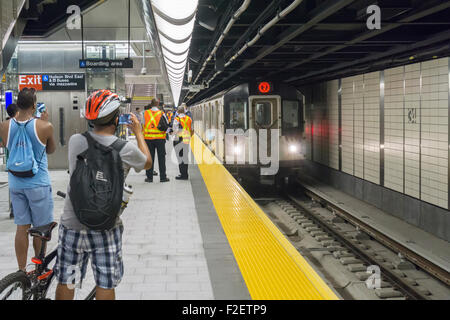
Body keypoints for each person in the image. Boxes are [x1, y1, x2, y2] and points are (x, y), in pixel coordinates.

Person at [54, 89, 152, 300]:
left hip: (73, 226)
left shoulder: (75, 142)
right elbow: (147, 162)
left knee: (67, 280)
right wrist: (138, 132)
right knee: (104, 282)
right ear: (117, 119)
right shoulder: (125, 149)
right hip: (106, 228)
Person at [0, 87, 56, 272]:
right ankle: (39, 269)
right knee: (40, 229)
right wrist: (45, 122)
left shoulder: (4, 125)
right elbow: (50, 150)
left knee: (21, 228)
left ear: (17, 103)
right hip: (38, 183)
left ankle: (22, 271)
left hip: (16, 183)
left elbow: (5, 145)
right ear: (34, 105)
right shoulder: (44, 126)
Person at [143, 99, 169, 183]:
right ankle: (163, 177)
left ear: (151, 104)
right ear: (158, 104)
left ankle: (149, 178)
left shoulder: (145, 113)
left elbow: (142, 124)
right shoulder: (162, 113)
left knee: (150, 158)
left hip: (148, 139)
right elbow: (166, 124)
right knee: (161, 158)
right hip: (160, 139)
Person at [173, 104, 194, 180]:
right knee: (185, 157)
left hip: (178, 140)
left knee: (179, 157)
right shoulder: (189, 119)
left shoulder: (176, 119)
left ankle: (182, 174)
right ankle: (186, 174)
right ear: (184, 111)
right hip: (186, 140)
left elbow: (175, 130)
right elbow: (192, 130)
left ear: (178, 111)